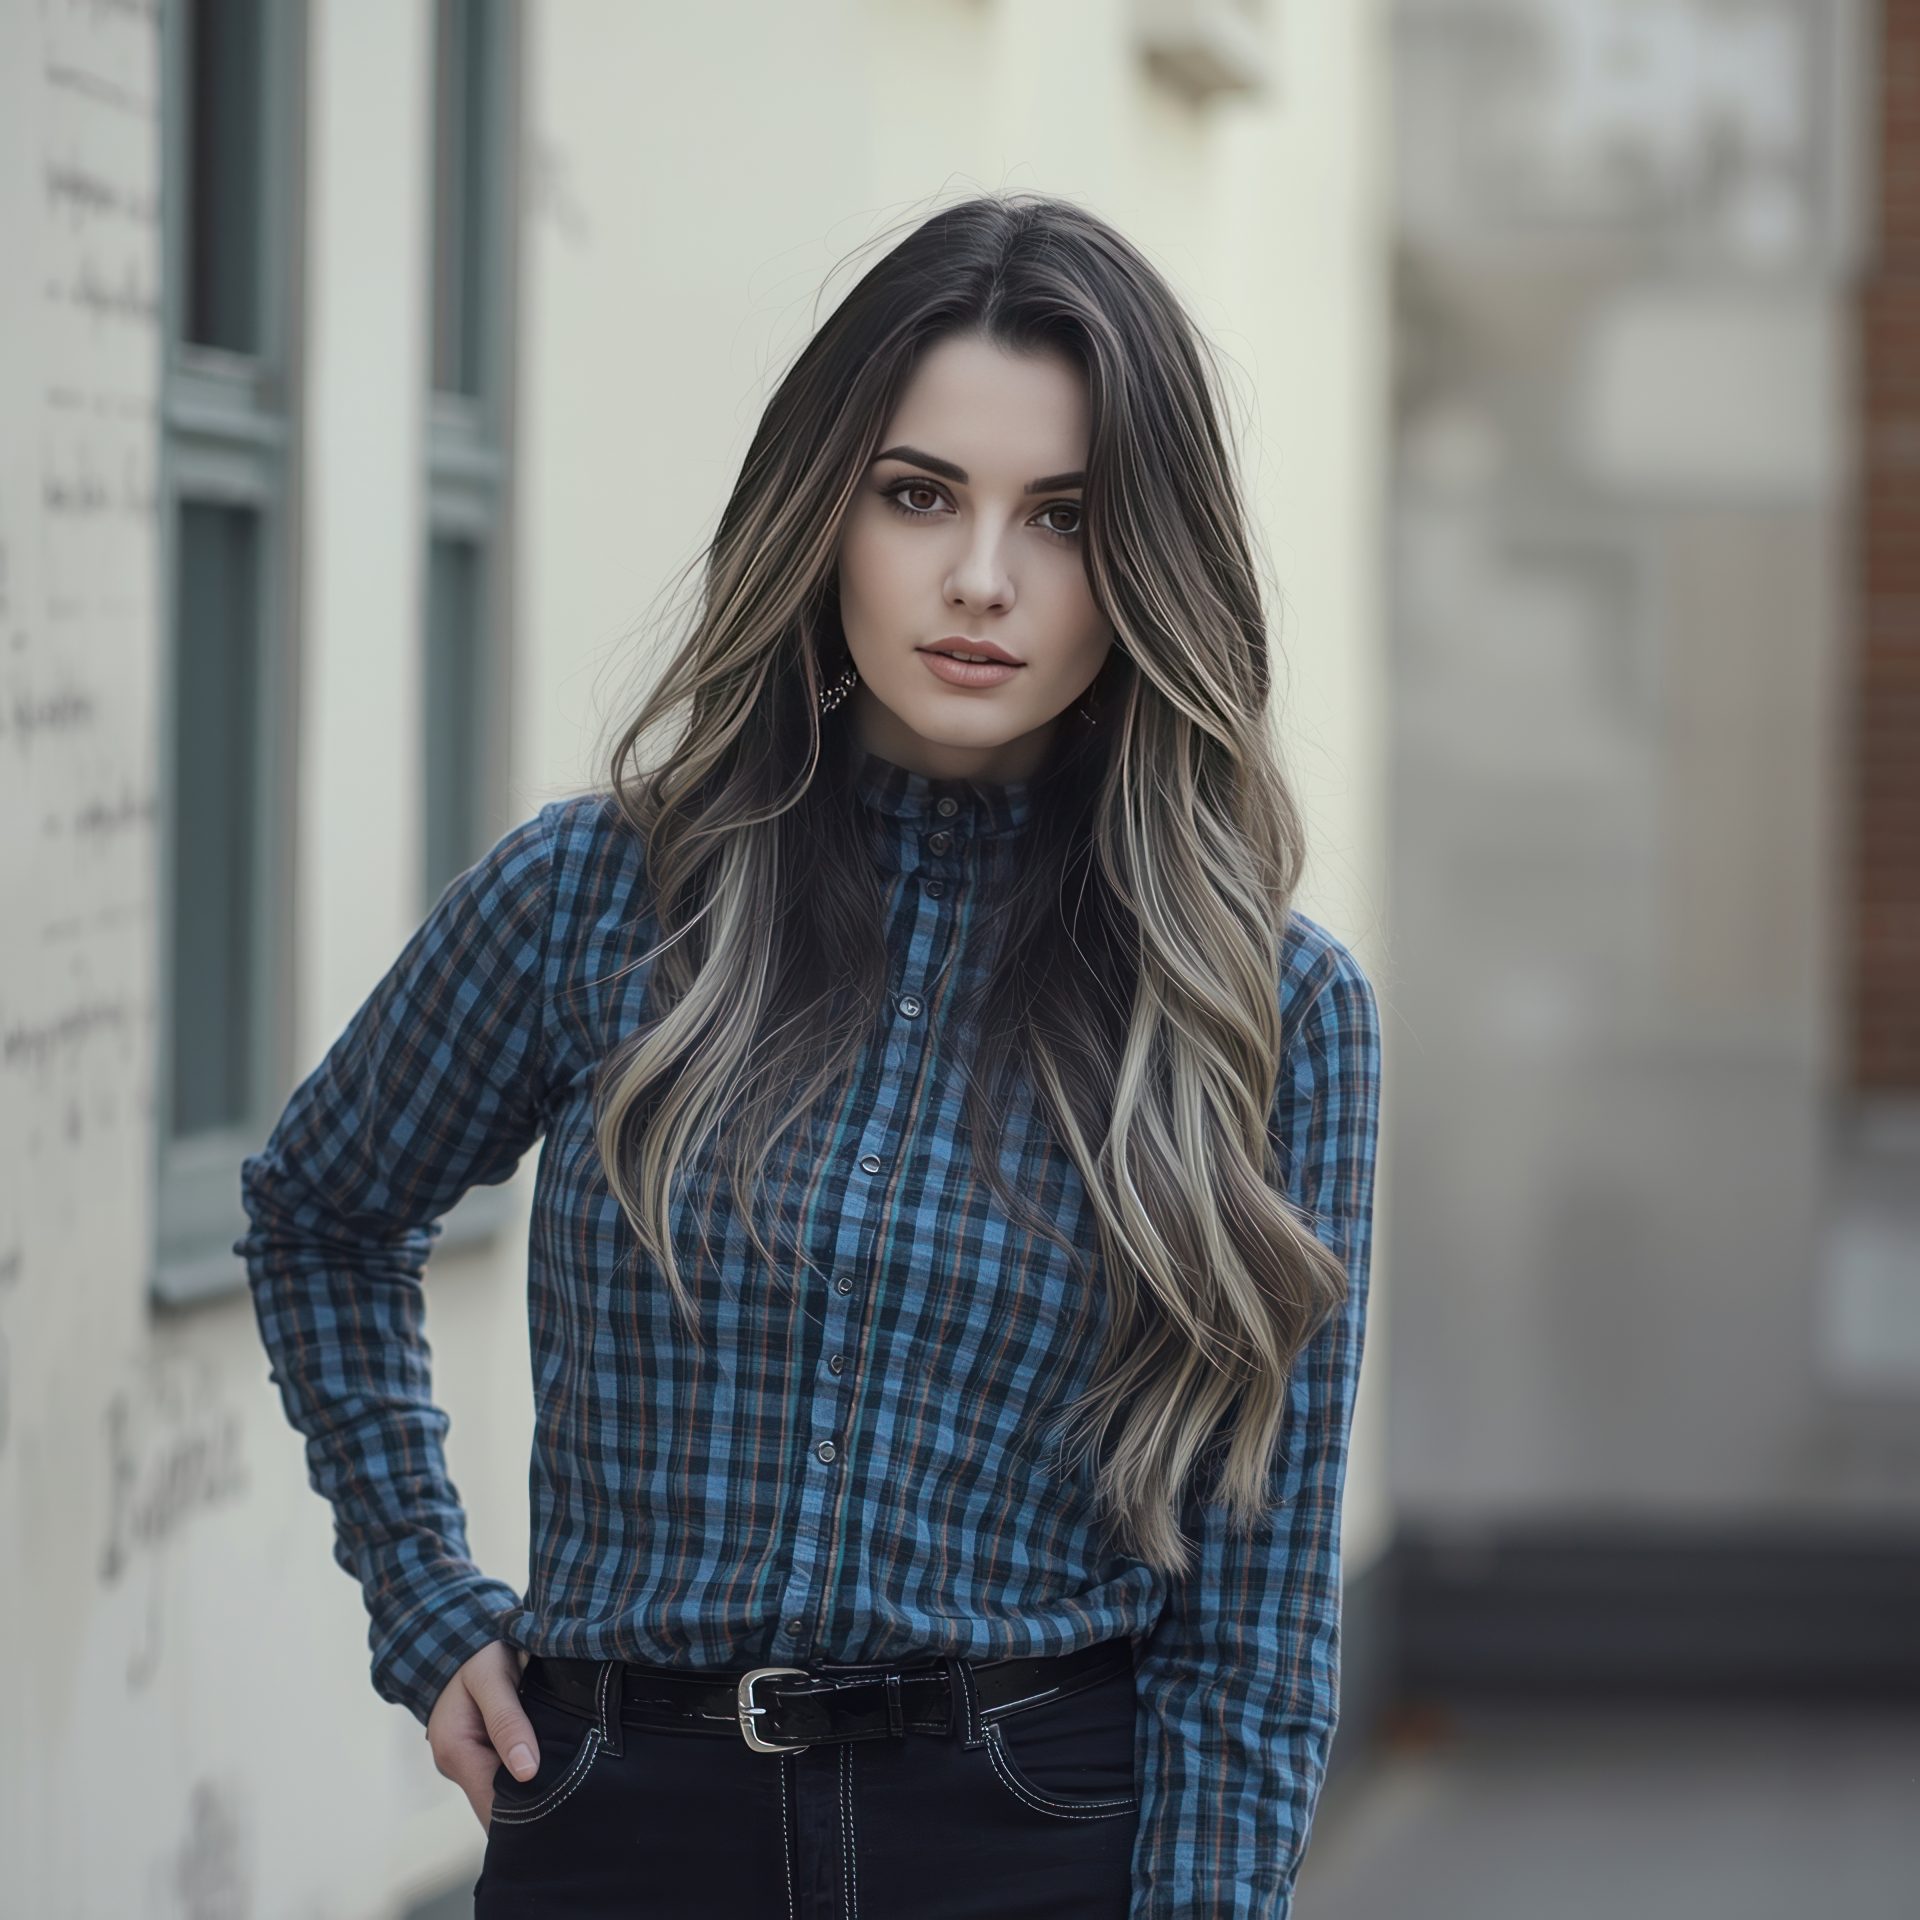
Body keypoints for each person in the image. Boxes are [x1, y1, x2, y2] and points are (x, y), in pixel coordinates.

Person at [234, 191, 1382, 1920]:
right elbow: (321, 1210)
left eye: (1063, 518)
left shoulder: (1262, 1003)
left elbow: (1259, 1608)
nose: (980, 579)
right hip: (621, 1823)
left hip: (1033, 1837)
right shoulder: (598, 896)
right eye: (920, 495)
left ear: (1149, 559)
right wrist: (423, 1595)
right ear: (825, 511)